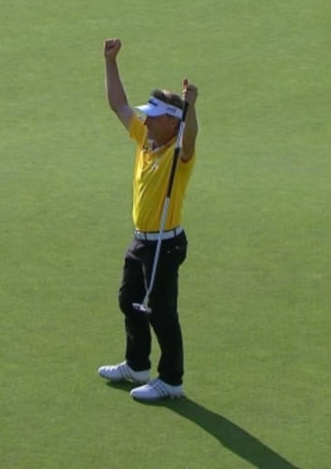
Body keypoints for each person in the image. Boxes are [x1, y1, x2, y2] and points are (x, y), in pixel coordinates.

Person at [97, 38, 200, 401]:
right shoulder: (145, 138)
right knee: (129, 301)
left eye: (153, 116)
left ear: (171, 122)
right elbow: (118, 104)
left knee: (161, 313)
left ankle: (171, 380)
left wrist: (190, 107)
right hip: (141, 240)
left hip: (165, 245)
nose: (145, 119)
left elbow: (191, 136)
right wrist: (110, 61)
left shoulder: (178, 153)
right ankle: (137, 364)